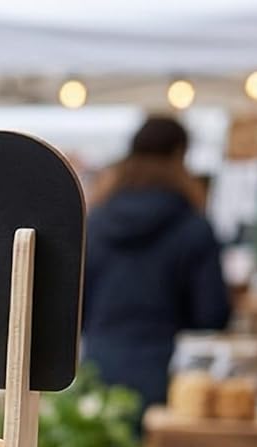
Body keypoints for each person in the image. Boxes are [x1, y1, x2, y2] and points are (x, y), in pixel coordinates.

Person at [82, 116, 230, 423]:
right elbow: (212, 313)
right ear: (180, 155)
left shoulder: (96, 221)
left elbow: (74, 302)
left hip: (97, 365)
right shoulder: (193, 226)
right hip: (164, 370)